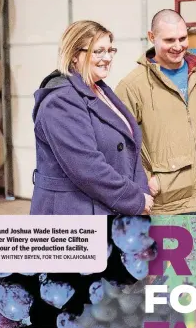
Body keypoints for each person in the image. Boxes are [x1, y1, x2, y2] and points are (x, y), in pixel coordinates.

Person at [30, 20, 153, 215]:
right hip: (75, 212)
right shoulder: (61, 100)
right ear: (74, 55)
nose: (108, 57)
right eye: (98, 51)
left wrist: (140, 191)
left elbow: (130, 146)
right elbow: (87, 167)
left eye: (110, 50)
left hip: (106, 204)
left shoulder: (99, 90)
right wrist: (133, 198)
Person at [115, 9, 196, 216]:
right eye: (169, 40)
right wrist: (148, 180)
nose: (178, 47)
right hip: (169, 206)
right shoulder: (133, 86)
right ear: (152, 37)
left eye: (183, 38)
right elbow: (121, 144)